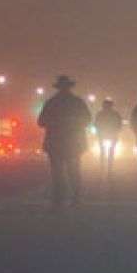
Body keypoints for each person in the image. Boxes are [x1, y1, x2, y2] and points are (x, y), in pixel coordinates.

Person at [37, 75, 92, 209]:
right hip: (73, 141)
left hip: (56, 142)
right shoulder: (77, 102)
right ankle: (76, 197)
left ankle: (59, 198)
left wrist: (55, 124)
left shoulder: (51, 102)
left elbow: (41, 121)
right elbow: (87, 119)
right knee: (73, 170)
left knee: (57, 172)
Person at [93, 98, 123, 176]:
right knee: (110, 151)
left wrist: (99, 131)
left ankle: (103, 167)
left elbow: (96, 124)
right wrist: (117, 130)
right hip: (112, 134)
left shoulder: (100, 113)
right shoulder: (115, 114)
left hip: (103, 134)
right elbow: (119, 124)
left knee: (103, 151)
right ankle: (109, 167)